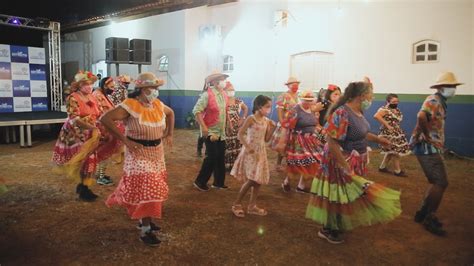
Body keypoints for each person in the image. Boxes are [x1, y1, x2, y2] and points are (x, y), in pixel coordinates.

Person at [306, 81, 401, 244]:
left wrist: (378, 139)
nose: (372, 97)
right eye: (370, 94)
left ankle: (335, 224)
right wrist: (345, 165)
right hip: (338, 160)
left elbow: (361, 133)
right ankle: (328, 228)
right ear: (361, 96)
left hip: (353, 159)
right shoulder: (342, 113)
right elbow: (332, 141)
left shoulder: (358, 111)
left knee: (346, 194)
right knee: (336, 194)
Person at [101, 72, 174, 246]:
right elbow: (106, 119)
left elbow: (170, 113)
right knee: (150, 188)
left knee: (149, 188)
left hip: (157, 153)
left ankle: (145, 220)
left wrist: (169, 133)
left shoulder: (157, 104)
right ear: (142, 89)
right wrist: (125, 140)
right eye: (153, 88)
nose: (156, 91)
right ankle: (145, 231)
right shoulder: (130, 105)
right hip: (138, 153)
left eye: (157, 88)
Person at [411, 72, 463, 236]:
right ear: (441, 88)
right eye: (451, 86)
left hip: (429, 147)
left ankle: (422, 213)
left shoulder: (440, 101)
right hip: (428, 148)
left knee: (436, 181)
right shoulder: (434, 100)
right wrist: (427, 136)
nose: (453, 89)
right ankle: (429, 218)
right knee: (440, 182)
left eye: (454, 86)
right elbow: (421, 116)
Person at [52, 71, 102, 201]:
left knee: (90, 160)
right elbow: (74, 119)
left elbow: (98, 114)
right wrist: (92, 127)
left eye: (91, 84)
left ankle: (84, 187)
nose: (89, 86)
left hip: (91, 132)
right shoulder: (72, 97)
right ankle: (83, 189)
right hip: (76, 133)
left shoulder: (92, 97)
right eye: (86, 84)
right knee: (82, 159)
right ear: (79, 85)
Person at [231, 95, 276, 217]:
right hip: (250, 152)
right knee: (251, 180)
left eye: (270, 107)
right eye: (267, 107)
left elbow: (266, 139)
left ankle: (252, 206)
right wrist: (248, 147)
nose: (269, 109)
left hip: (261, 152)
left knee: (258, 180)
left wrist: (273, 128)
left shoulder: (266, 121)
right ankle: (236, 204)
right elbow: (240, 134)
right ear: (259, 106)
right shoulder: (251, 119)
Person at [193, 72, 230, 191]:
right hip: (210, 131)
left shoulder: (224, 94)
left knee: (220, 156)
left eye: (224, 79)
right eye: (221, 79)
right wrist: (203, 127)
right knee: (212, 156)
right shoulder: (207, 95)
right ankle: (200, 181)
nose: (224, 81)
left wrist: (228, 123)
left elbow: (225, 110)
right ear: (214, 81)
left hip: (221, 132)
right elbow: (197, 111)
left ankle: (218, 182)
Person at [283, 90, 324, 193]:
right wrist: (283, 141)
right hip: (298, 140)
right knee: (296, 164)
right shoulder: (295, 110)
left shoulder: (314, 111)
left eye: (310, 100)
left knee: (313, 161)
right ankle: (287, 181)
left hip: (311, 139)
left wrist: (322, 132)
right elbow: (287, 125)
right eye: (305, 100)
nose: (308, 103)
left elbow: (316, 125)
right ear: (301, 100)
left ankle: (301, 186)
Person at [92, 77, 123, 185]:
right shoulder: (98, 95)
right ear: (105, 85)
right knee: (103, 153)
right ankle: (101, 176)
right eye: (111, 87)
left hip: (106, 128)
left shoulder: (103, 94)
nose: (113, 89)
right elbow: (102, 114)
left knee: (102, 153)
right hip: (103, 129)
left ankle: (99, 174)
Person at [374, 93, 410, 176]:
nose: (396, 103)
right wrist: (387, 125)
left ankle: (382, 167)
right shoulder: (384, 109)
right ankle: (397, 171)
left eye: (397, 101)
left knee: (391, 151)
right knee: (395, 152)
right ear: (388, 101)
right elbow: (376, 116)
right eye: (393, 101)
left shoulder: (396, 109)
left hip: (396, 132)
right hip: (389, 134)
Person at [272, 77, 300, 174]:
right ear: (288, 85)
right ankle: (278, 163)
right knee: (283, 144)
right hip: (285, 123)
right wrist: (282, 122)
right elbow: (280, 109)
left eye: (296, 84)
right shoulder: (284, 96)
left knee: (292, 145)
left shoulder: (299, 96)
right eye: (292, 84)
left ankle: (290, 164)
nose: (295, 86)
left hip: (296, 124)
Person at [224, 81, 248, 171]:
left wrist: (243, 118)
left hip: (238, 125)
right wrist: (228, 123)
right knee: (229, 144)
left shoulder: (238, 100)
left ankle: (237, 165)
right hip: (227, 126)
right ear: (225, 91)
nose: (231, 91)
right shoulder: (224, 100)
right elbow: (224, 113)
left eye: (233, 90)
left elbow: (245, 108)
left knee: (238, 143)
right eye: (229, 90)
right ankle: (228, 165)